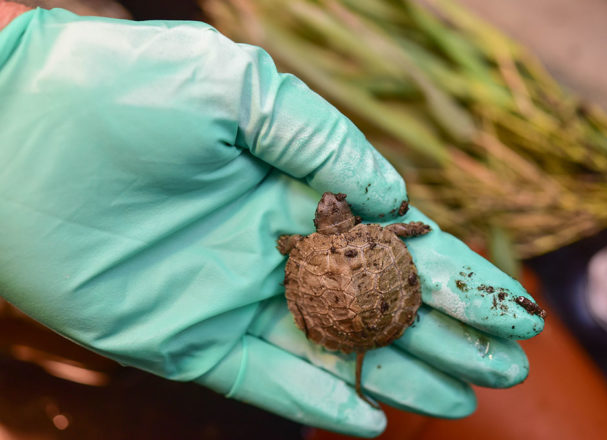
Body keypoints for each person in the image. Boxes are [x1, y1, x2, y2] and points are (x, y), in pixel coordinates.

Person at [0, 2, 544, 437]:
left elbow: (293, 244)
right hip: (376, 296)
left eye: (330, 208)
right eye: (330, 206)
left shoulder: (301, 247)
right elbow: (391, 230)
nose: (329, 204)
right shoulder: (358, 235)